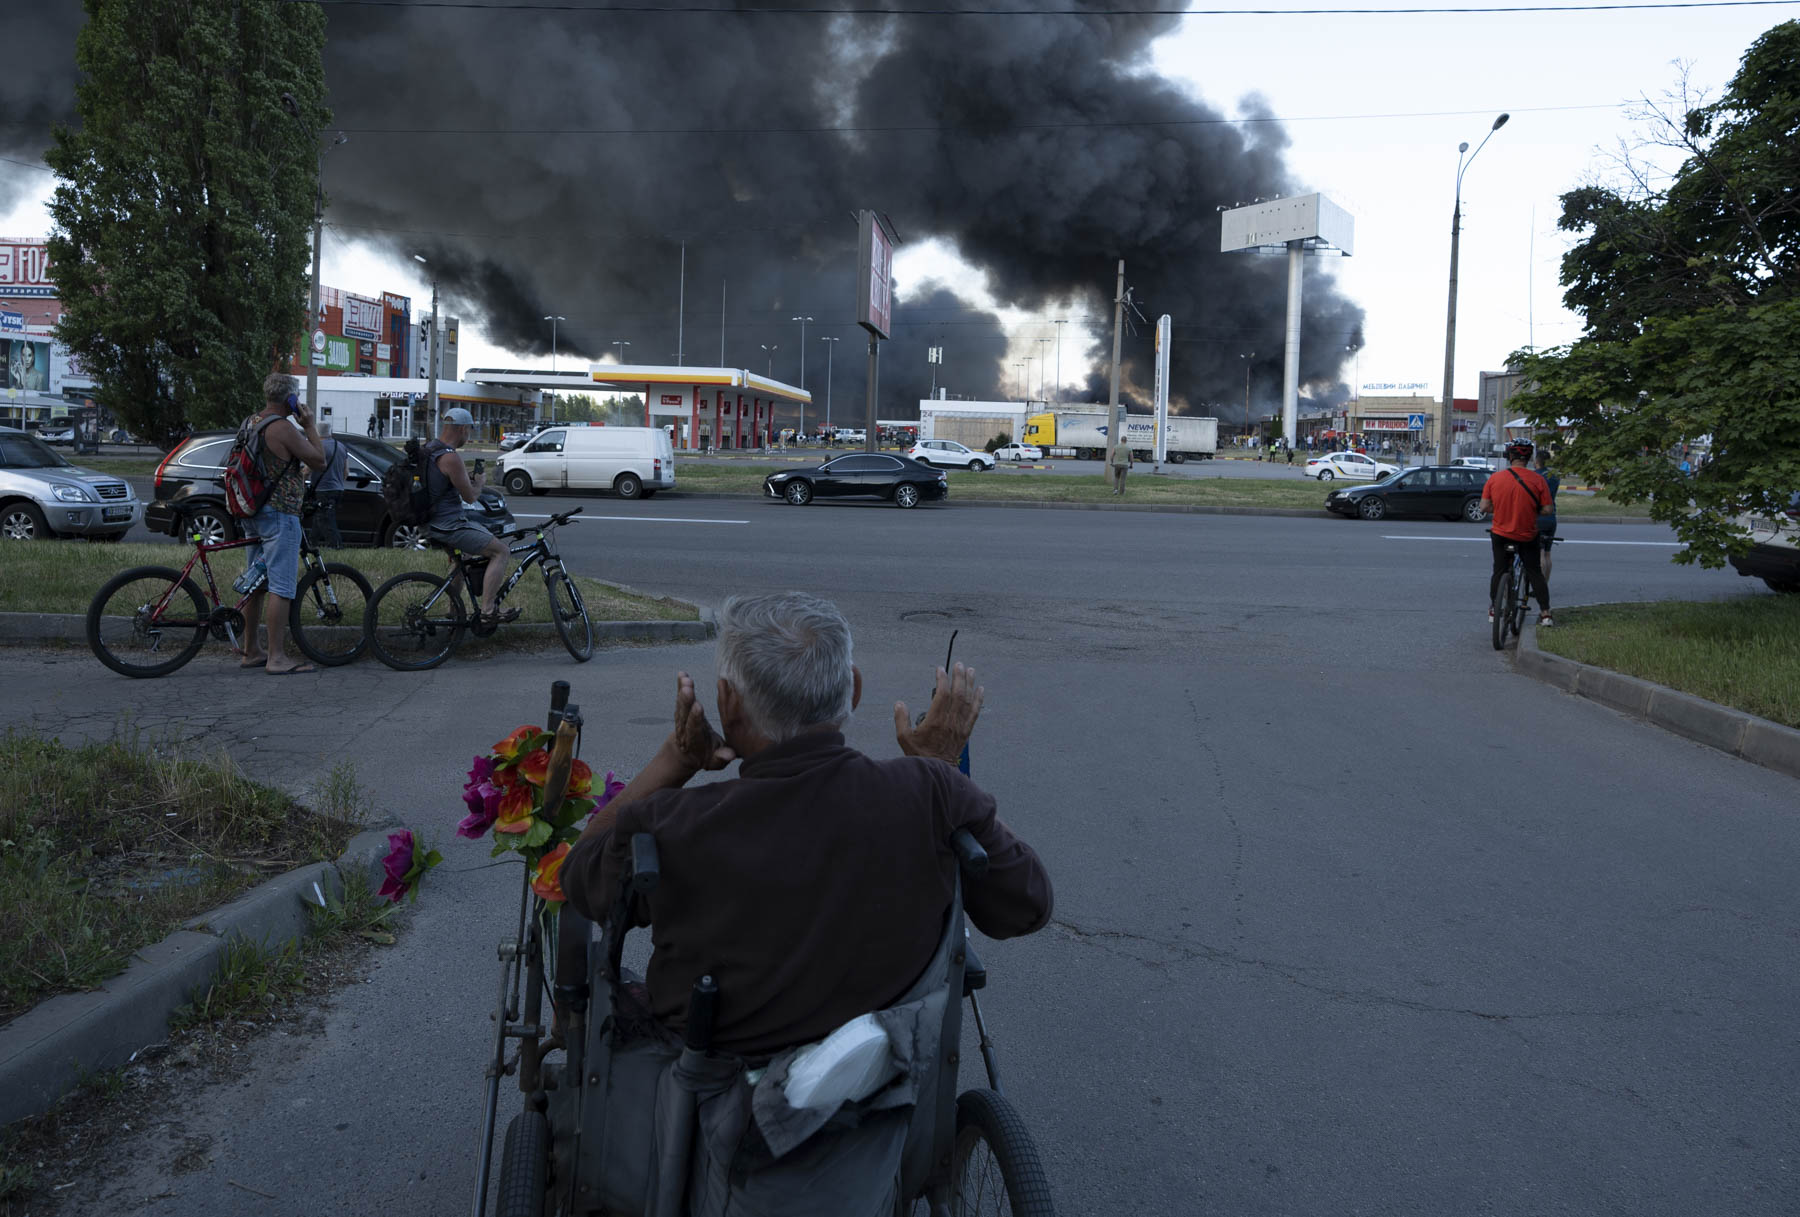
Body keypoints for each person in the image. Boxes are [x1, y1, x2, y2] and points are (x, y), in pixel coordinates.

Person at [560, 591, 1053, 1057]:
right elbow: (1027, 906)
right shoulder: (930, 791)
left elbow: (578, 880)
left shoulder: (670, 822)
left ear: (727, 701)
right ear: (853, 689)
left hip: (708, 1099)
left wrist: (675, 760)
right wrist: (944, 771)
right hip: (885, 1085)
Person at [240, 373, 327, 675]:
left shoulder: (252, 421)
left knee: (256, 583)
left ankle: (252, 650)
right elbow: (319, 460)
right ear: (291, 399)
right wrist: (310, 425)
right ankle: (276, 657)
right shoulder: (283, 428)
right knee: (281, 586)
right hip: (279, 513)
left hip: (253, 509)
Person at [426, 407, 515, 628]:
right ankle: (488, 610)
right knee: (501, 551)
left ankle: (453, 611)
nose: (469, 436)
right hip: (448, 525)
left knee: (463, 560)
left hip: (429, 521)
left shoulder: (429, 449)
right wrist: (479, 483)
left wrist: (465, 478)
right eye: (469, 431)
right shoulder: (450, 457)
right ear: (463, 429)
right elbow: (470, 497)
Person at [1479, 439, 1554, 628]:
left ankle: (1494, 609)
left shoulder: (1495, 479)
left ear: (1509, 456)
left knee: (1499, 570)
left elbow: (1484, 507)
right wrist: (1529, 509)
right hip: (1527, 535)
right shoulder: (1538, 480)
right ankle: (1545, 614)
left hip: (1500, 534)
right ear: (1529, 458)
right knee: (1534, 571)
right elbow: (1547, 509)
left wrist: (1502, 508)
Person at [309, 433, 348, 549]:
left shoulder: (319, 447)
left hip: (323, 489)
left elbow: (307, 470)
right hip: (338, 489)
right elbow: (346, 472)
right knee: (320, 516)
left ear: (317, 432)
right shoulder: (341, 446)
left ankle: (336, 546)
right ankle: (312, 542)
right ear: (329, 432)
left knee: (325, 519)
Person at [1535, 450, 1562, 580]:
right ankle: (1545, 583)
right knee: (1547, 553)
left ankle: (1538, 585)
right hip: (1552, 516)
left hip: (1539, 516)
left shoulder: (1534, 476)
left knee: (1539, 554)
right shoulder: (1554, 476)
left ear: (1536, 461)